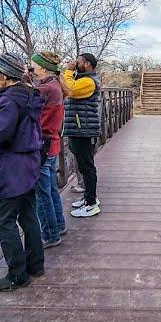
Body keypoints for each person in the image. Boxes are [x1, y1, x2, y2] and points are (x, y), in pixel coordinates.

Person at [0, 52, 44, 292]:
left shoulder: (12, 100)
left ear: (4, 76)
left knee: (3, 221)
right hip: (29, 162)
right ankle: (35, 265)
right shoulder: (28, 94)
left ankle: (17, 275)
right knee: (28, 214)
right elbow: (16, 117)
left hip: (13, 167)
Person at [29, 50, 67, 248]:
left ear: (42, 67)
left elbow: (24, 103)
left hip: (42, 145)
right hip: (51, 144)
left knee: (42, 194)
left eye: (34, 64)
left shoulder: (46, 89)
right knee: (51, 189)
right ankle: (59, 225)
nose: (31, 67)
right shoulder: (54, 85)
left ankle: (51, 235)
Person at [60, 53, 102, 217]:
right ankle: (89, 198)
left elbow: (70, 89)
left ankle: (92, 204)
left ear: (87, 64)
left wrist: (68, 72)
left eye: (78, 62)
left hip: (84, 130)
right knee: (84, 167)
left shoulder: (89, 81)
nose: (75, 64)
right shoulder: (82, 79)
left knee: (87, 167)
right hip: (79, 128)